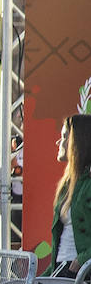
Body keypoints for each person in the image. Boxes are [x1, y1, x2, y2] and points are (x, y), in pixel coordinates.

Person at [48, 114, 91, 275]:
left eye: (65, 136)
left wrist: (83, 259)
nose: (59, 142)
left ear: (78, 142)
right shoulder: (67, 184)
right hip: (62, 266)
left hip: (81, 272)